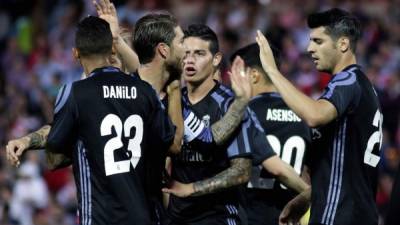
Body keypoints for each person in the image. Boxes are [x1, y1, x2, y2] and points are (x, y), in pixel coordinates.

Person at [256, 8, 382, 225]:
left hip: (338, 214)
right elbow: (343, 166)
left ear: (342, 44)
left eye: (318, 41)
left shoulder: (347, 81)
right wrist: (308, 197)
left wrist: (272, 71)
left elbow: (315, 115)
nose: (309, 48)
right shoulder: (363, 86)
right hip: (357, 213)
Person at [49, 16, 178, 225]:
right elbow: (167, 139)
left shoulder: (74, 93)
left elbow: (54, 150)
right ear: (112, 51)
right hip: (143, 216)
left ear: (75, 54)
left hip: (100, 217)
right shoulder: (145, 91)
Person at [230, 43, 311, 225]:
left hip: (249, 216)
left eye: (237, 74)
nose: (233, 83)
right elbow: (311, 170)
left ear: (254, 75)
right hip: (290, 218)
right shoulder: (305, 113)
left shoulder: (243, 114)